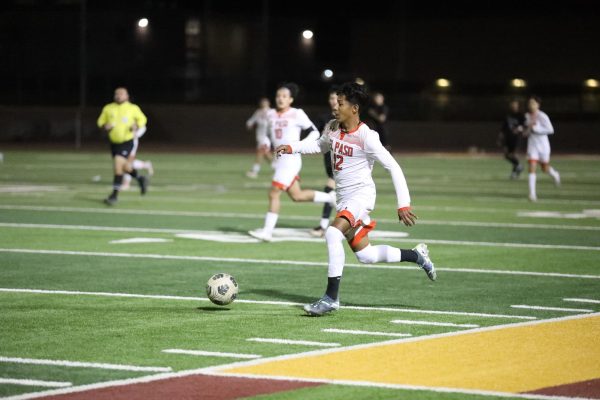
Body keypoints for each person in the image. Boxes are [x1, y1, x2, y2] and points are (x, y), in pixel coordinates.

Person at [276, 82, 436, 317]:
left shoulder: (367, 136)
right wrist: (292, 147)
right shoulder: (332, 127)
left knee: (332, 233)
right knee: (366, 255)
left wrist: (403, 204)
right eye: (335, 102)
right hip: (344, 199)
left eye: (340, 103)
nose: (335, 107)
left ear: (354, 108)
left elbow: (393, 167)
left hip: (361, 196)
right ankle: (417, 255)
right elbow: (320, 146)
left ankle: (331, 298)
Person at [248, 83, 336, 242]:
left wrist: (299, 146)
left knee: (273, 192)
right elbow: (268, 134)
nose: (280, 99)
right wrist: (266, 143)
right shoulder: (270, 114)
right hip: (280, 160)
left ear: (291, 99)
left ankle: (267, 232)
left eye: (284, 96)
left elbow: (314, 132)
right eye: (278, 96)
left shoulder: (297, 113)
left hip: (291, 159)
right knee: (297, 196)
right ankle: (331, 198)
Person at [97, 87, 148, 205]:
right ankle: (140, 178)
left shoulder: (132, 108)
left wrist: (136, 125)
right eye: (117, 94)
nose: (119, 96)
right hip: (114, 143)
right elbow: (100, 122)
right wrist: (105, 126)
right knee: (124, 167)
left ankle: (114, 195)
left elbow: (142, 120)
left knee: (118, 167)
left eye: (121, 94)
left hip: (127, 141)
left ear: (127, 96)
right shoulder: (108, 108)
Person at [310, 87, 339, 237]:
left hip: (342, 162)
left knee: (330, 191)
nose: (333, 101)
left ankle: (322, 226)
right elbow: (314, 135)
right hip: (328, 160)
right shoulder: (324, 118)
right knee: (336, 194)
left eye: (336, 98)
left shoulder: (348, 117)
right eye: (331, 98)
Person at [524, 95, 560, 202]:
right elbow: (526, 131)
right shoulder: (526, 116)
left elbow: (550, 130)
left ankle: (554, 174)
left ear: (538, 105)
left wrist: (537, 129)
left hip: (543, 146)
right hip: (532, 145)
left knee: (544, 168)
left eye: (533, 103)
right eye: (529, 103)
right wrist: (525, 131)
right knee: (531, 167)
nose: (531, 105)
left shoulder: (542, 116)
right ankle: (532, 194)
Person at [246, 97, 273, 179]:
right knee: (265, 154)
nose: (263, 104)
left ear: (268, 103)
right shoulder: (258, 112)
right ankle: (279, 168)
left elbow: (273, 124)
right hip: (260, 137)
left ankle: (254, 171)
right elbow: (251, 121)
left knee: (260, 153)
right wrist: (249, 124)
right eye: (262, 102)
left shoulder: (272, 112)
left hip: (266, 137)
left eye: (265, 102)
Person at [498, 99, 525, 179]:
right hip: (508, 138)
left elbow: (524, 125)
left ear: (518, 106)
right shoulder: (508, 115)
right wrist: (500, 138)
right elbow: (503, 128)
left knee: (513, 155)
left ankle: (514, 173)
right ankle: (519, 166)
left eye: (515, 105)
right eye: (513, 105)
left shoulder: (521, 115)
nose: (514, 106)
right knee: (506, 155)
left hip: (516, 138)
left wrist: (518, 129)